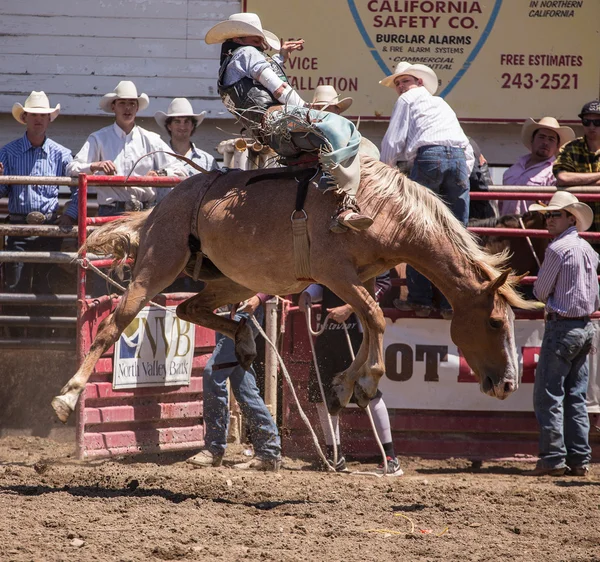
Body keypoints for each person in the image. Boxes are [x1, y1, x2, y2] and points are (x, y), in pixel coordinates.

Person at [205, 12, 372, 233]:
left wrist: (281, 56)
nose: (262, 47)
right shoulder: (246, 53)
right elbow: (277, 87)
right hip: (275, 119)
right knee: (343, 127)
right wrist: (304, 111)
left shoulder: (234, 60)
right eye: (257, 41)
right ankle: (345, 204)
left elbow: (255, 76)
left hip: (268, 128)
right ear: (240, 39)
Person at [380, 63, 473, 320]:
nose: (400, 87)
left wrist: (384, 172)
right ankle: (450, 301)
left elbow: (394, 140)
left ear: (418, 82)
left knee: (419, 229)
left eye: (404, 81)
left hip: (428, 158)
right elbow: (465, 148)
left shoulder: (407, 100)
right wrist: (462, 172)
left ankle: (420, 300)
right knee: (456, 233)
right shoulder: (441, 104)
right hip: (457, 162)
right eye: (398, 83)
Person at [299, 273, 403, 476]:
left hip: (358, 335)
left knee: (369, 392)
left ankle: (390, 457)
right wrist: (308, 294)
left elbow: (381, 284)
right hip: (328, 334)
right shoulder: (329, 249)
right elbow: (324, 283)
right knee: (321, 394)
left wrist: (350, 308)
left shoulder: (367, 252)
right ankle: (334, 454)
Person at [524, 192, 598, 477]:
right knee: (576, 395)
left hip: (562, 326)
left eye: (554, 214)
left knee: (549, 394)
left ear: (570, 218)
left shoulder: (557, 249)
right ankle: (579, 459)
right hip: (585, 327)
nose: (549, 219)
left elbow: (540, 291)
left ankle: (553, 457)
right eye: (548, 215)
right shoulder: (588, 250)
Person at [187, 295, 282, 471]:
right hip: (225, 313)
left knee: (213, 373)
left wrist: (259, 297)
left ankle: (214, 448)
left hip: (242, 313)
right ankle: (269, 452)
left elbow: (277, 271)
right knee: (244, 386)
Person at [66, 80, 186, 217]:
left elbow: (180, 170)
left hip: (144, 212)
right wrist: (95, 165)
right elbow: (72, 169)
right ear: (113, 107)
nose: (127, 108)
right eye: (122, 103)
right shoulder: (98, 139)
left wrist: (160, 174)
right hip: (110, 212)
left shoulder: (152, 139)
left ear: (137, 108)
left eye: (132, 103)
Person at [0, 91, 78, 294]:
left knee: (46, 287)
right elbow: (1, 191)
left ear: (49, 119)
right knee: (16, 286)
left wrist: (70, 215)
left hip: (49, 227)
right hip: (18, 228)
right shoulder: (7, 153)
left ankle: (43, 327)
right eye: (34, 114)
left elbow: (79, 188)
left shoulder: (61, 154)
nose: (38, 119)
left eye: (43, 115)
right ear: (25, 118)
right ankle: (16, 327)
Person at [501, 117, 575, 216]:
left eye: (551, 139)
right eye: (541, 137)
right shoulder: (513, 168)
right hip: (506, 227)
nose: (545, 142)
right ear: (532, 140)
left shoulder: (554, 172)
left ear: (558, 146)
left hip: (533, 228)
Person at [553, 100, 600, 233]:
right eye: (587, 122)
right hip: (578, 229)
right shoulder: (570, 148)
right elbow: (562, 177)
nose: (591, 126)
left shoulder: (569, 149)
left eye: (597, 122)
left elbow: (565, 179)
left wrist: (578, 187)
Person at [154, 97, 220, 176]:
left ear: (192, 126)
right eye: (177, 121)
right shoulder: (158, 158)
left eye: (186, 121)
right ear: (169, 126)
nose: (182, 127)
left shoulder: (207, 161)